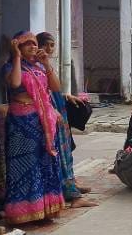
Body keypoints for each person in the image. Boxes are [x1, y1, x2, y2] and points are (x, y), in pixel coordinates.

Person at [1, 31, 65, 224]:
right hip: (21, 125)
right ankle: (24, 212)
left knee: (44, 164)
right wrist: (17, 57)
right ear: (18, 47)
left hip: (42, 123)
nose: (32, 47)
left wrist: (46, 64)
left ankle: (45, 210)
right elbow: (15, 83)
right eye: (26, 44)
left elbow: (55, 87)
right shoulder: (9, 67)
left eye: (34, 43)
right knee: (25, 166)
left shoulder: (39, 67)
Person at [36, 33, 95, 207]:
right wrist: (52, 110)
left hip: (57, 107)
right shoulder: (35, 67)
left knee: (66, 149)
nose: (49, 49)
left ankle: (71, 183)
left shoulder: (44, 65)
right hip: (49, 112)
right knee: (59, 153)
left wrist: (64, 95)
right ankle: (71, 194)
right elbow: (40, 93)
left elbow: (52, 88)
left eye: (52, 45)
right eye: (45, 45)